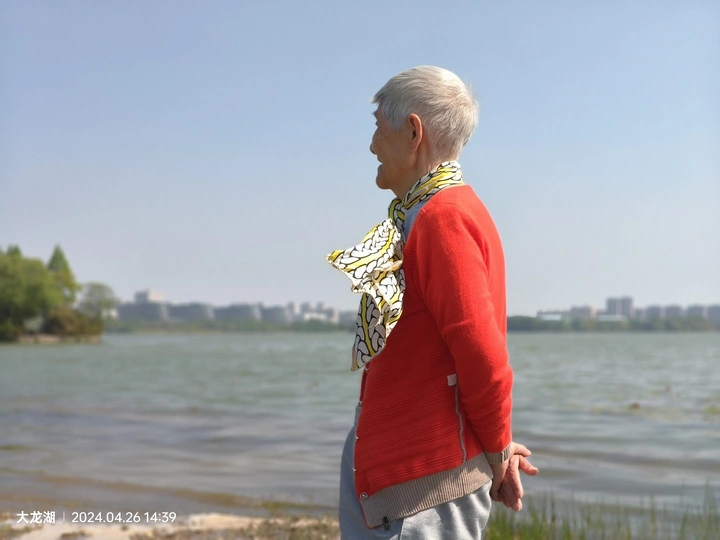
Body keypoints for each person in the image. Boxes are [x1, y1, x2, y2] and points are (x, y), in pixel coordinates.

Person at [327, 66, 538, 539]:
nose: (372, 145)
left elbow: (482, 355)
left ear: (413, 132)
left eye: (378, 127)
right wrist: (497, 444)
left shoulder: (443, 218)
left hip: (423, 485)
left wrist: (498, 448)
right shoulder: (425, 213)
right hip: (399, 471)